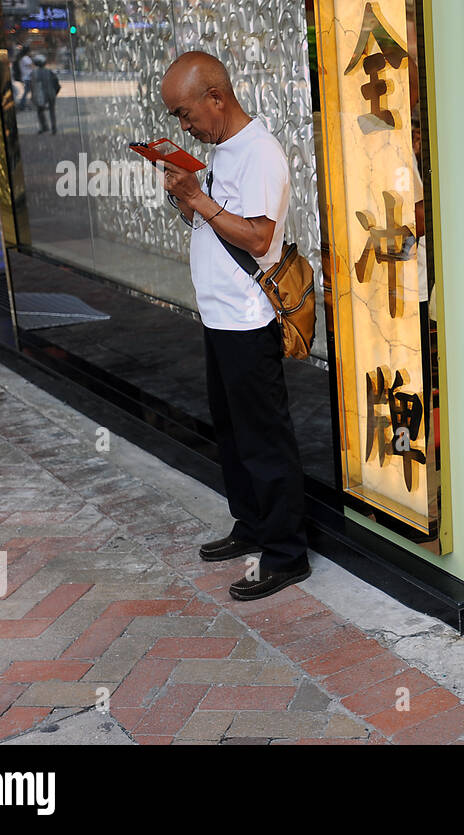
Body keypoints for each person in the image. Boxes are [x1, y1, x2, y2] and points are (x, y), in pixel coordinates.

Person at [159, 50, 311, 601]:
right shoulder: (221, 152)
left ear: (216, 98)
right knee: (231, 431)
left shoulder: (260, 153)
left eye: (184, 112)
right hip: (219, 316)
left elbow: (258, 239)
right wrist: (186, 198)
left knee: (264, 438)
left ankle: (286, 553)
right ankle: (251, 527)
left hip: (250, 320)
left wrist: (198, 197)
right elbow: (214, 222)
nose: (183, 125)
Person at [30, 55, 60, 134]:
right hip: (51, 93)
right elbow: (57, 84)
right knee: (52, 111)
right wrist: (55, 92)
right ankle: (54, 128)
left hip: (41, 95)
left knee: (40, 111)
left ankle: (44, 127)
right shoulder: (50, 72)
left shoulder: (34, 73)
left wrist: (33, 96)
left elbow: (33, 86)